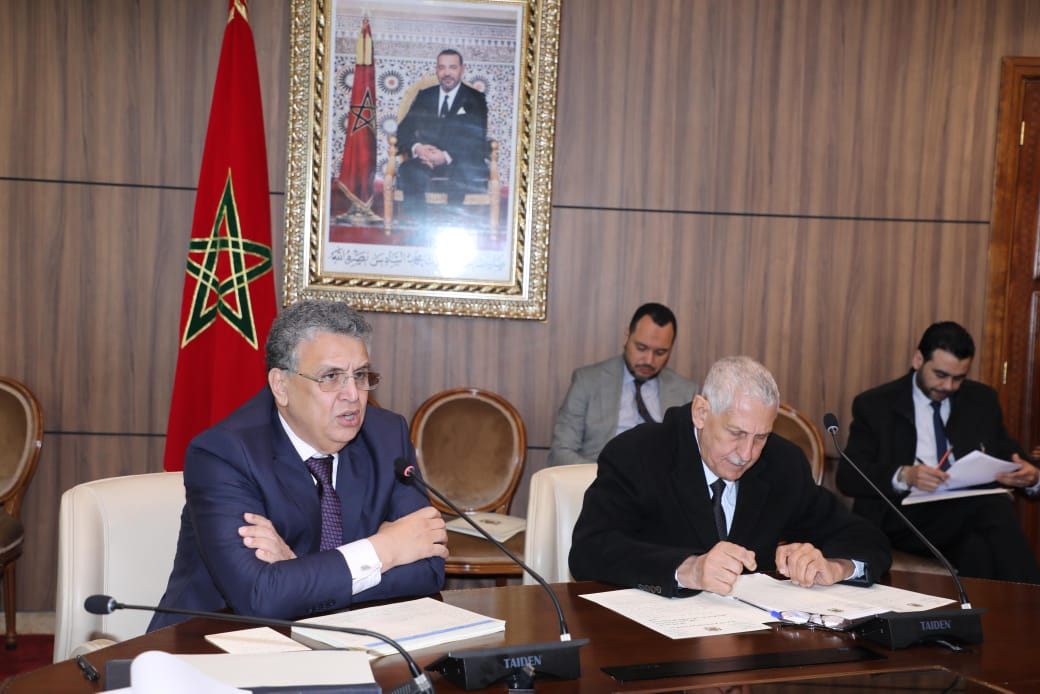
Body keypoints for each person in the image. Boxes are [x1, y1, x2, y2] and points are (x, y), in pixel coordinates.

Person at [149, 301, 447, 630]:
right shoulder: (224, 453)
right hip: (209, 642)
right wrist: (384, 549)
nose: (353, 394)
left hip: (338, 639)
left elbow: (429, 568)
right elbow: (259, 595)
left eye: (360, 375)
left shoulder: (387, 436)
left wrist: (297, 572)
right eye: (331, 377)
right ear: (281, 386)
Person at [570, 356, 890, 596]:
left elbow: (865, 537)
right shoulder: (639, 453)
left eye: (760, 437)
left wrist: (835, 566)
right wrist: (688, 569)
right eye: (736, 433)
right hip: (655, 637)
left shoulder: (782, 463)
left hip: (749, 640)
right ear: (701, 412)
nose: (747, 453)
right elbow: (590, 551)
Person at [837, 321, 1040, 583]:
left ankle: (989, 610)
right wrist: (905, 476)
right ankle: (1033, 597)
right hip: (903, 515)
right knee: (992, 507)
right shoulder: (876, 404)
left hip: (962, 515)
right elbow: (848, 476)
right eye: (941, 375)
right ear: (918, 359)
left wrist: (1032, 477)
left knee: (976, 549)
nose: (949, 386)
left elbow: (1009, 454)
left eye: (959, 378)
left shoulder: (981, 400)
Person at [548, 303, 698, 467]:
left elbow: (693, 460)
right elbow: (560, 453)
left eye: (660, 352)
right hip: (598, 476)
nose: (649, 360)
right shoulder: (587, 382)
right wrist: (606, 476)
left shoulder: (687, 393)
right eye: (641, 348)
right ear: (627, 337)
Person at [395, 49, 489, 215]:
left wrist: (445, 156)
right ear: (437, 70)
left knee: (461, 173)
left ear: (462, 69)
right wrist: (418, 148)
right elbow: (404, 129)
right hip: (426, 159)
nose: (447, 73)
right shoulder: (425, 96)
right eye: (442, 67)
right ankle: (420, 224)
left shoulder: (476, 98)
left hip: (459, 160)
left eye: (452, 67)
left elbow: (476, 138)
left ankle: (451, 221)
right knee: (408, 169)